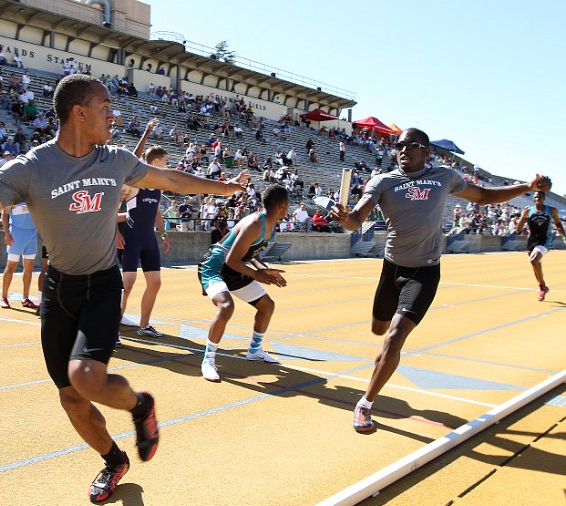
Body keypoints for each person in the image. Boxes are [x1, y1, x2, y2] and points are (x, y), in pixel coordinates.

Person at [0, 74, 248, 504]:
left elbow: (172, 180)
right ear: (79, 113)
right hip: (59, 290)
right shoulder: (31, 168)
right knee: (71, 399)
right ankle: (113, 460)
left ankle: (140, 405)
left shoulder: (116, 160)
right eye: (105, 107)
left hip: (102, 284)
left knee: (84, 376)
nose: (112, 114)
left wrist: (226, 187)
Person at [331, 128, 553, 434]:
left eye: (411, 145)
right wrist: (346, 218)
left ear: (426, 152)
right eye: (399, 146)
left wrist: (527, 186)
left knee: (394, 338)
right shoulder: (382, 181)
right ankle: (384, 360)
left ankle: (365, 405)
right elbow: (357, 219)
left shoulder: (444, 176)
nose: (403, 150)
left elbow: (485, 196)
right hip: (392, 269)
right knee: (378, 329)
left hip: (425, 271)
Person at [197, 184, 289, 382]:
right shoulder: (255, 223)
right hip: (215, 267)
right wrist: (257, 275)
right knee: (226, 306)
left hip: (235, 268)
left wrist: (264, 270)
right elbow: (231, 258)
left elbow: (249, 254)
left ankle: (254, 351)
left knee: (267, 306)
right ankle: (208, 360)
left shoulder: (269, 224)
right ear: (282, 206)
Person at [119, 121, 171, 337]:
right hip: (131, 237)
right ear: (156, 162)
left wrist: (164, 233)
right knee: (127, 285)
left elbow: (157, 213)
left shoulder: (158, 186)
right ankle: (111, 328)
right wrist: (115, 233)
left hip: (148, 239)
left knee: (155, 282)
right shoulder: (133, 183)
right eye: (165, 162)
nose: (167, 166)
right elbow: (111, 211)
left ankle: (144, 325)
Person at [516, 191, 565, 301]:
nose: (537, 197)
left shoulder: (551, 210)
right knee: (534, 264)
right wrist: (523, 217)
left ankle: (542, 286)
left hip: (545, 240)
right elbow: (518, 229)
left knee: (534, 260)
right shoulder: (528, 210)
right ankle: (542, 287)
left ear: (544, 198)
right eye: (535, 196)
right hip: (531, 241)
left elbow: (558, 224)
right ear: (533, 199)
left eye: (539, 196)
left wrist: (564, 237)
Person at [0, 203, 40, 310]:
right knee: (11, 266)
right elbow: (4, 214)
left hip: (32, 234)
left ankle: (25, 298)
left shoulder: (33, 195)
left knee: (29, 267)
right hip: (16, 234)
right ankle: (4, 297)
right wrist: (7, 233)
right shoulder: (13, 196)